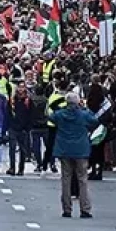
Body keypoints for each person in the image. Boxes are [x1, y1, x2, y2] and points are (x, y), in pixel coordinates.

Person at [48, 91, 98, 219]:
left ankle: (67, 209)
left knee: (66, 179)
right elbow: (95, 121)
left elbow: (50, 116)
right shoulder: (83, 115)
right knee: (82, 180)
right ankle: (85, 209)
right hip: (80, 149)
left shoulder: (60, 115)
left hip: (64, 149)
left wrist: (60, 105)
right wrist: (85, 108)